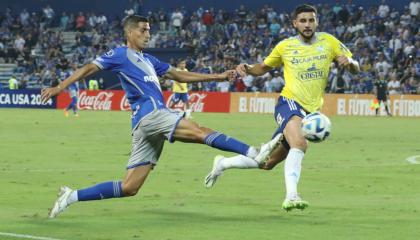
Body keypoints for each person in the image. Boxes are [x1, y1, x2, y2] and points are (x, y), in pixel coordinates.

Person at [41, 15, 281, 219]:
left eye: (149, 30)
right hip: (152, 115)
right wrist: (58, 88)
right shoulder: (120, 54)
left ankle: (71, 196)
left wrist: (218, 77)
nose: (148, 34)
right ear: (130, 32)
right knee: (200, 131)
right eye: (143, 30)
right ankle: (253, 152)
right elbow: (88, 69)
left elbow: (179, 75)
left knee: (130, 187)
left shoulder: (149, 60)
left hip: (145, 125)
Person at [204, 4, 360, 211]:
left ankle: (222, 163)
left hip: (311, 111)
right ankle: (292, 196)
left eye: (311, 20)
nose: (307, 24)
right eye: (302, 21)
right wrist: (248, 68)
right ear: (295, 23)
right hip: (289, 103)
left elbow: (356, 68)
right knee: (300, 144)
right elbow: (263, 67)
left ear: (317, 22)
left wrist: (349, 61)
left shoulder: (329, 42)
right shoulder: (285, 46)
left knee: (265, 162)